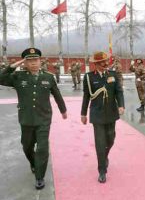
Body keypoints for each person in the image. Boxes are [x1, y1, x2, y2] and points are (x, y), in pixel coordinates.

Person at [0, 48, 67, 190]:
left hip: (44, 118)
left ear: (40, 61)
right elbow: (1, 78)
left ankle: (39, 177)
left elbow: (57, 94)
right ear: (25, 63)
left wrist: (63, 110)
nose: (33, 63)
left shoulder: (48, 77)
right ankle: (33, 162)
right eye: (29, 61)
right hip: (26, 119)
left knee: (42, 147)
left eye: (35, 60)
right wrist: (13, 66)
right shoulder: (18, 77)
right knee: (26, 146)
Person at [81, 51, 125, 183]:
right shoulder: (89, 77)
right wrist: (83, 113)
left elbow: (119, 92)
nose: (105, 65)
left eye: (106, 62)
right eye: (102, 63)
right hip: (97, 114)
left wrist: (121, 105)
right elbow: (86, 96)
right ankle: (101, 170)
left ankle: (105, 156)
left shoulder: (113, 74)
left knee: (110, 139)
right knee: (100, 143)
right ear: (96, 64)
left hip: (111, 112)